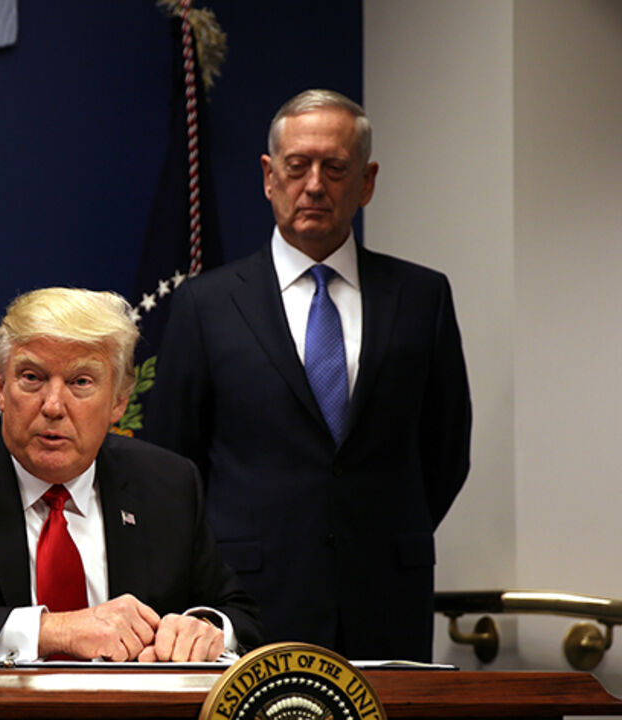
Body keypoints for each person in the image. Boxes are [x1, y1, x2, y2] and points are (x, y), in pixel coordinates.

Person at [147, 89, 471, 662]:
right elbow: (175, 462)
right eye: (297, 167)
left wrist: (382, 529)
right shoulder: (206, 305)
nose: (314, 185)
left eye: (335, 168)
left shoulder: (423, 297)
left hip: (388, 597)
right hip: (251, 599)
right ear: (270, 177)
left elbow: (445, 451)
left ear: (367, 182)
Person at [0, 287, 261, 666]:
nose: (53, 405)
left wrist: (207, 629)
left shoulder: (166, 483)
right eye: (32, 378)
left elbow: (238, 613)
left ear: (119, 403)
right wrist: (53, 631)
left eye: (81, 382)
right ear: (0, 387)